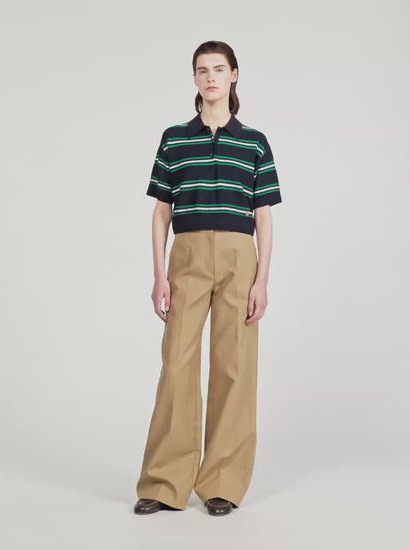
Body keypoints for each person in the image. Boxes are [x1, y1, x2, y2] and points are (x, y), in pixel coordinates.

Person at [134, 40, 282, 516]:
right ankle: (164, 483)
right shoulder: (175, 139)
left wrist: (262, 280)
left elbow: (264, 216)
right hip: (188, 254)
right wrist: (159, 275)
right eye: (202, 70)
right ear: (195, 78)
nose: (211, 77)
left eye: (219, 69)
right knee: (177, 363)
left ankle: (223, 482)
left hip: (240, 257)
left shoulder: (254, 142)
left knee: (234, 366)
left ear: (234, 75)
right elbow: (161, 212)